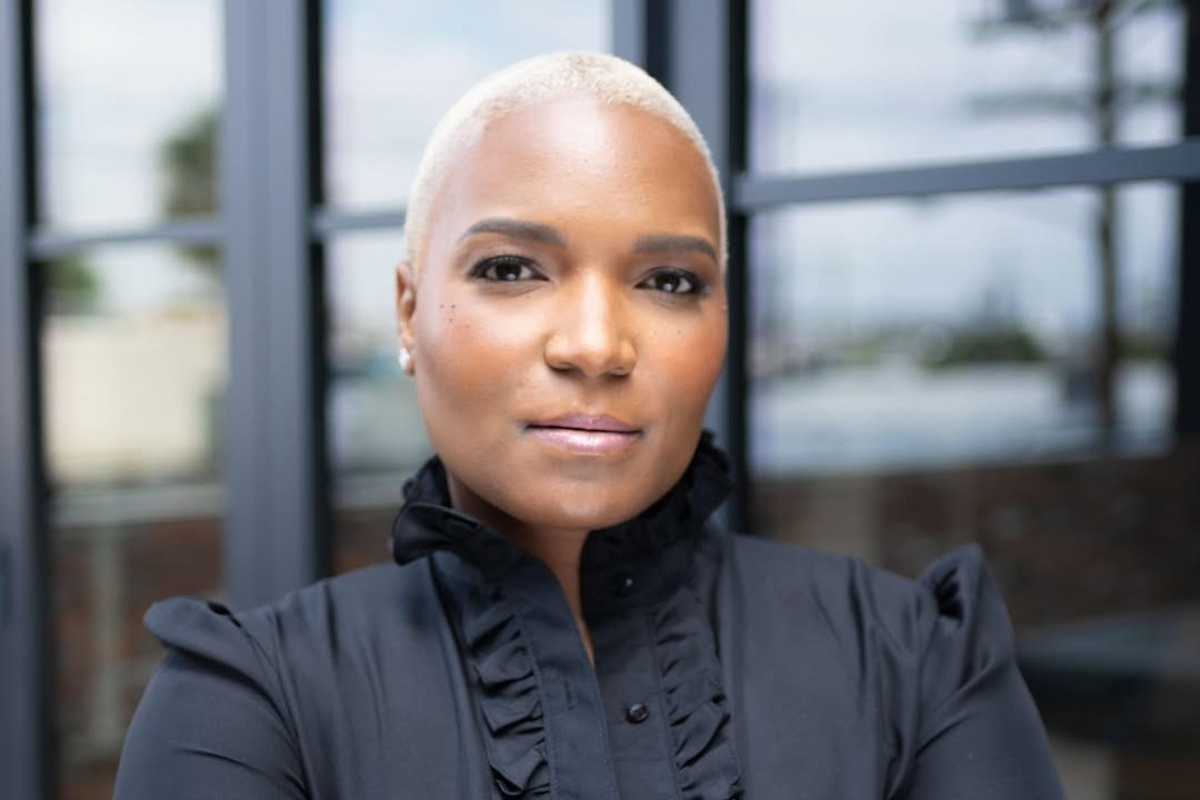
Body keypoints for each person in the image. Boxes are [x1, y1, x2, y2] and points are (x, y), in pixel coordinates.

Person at [114, 52, 1065, 800]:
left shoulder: (916, 660)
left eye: (670, 281)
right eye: (510, 269)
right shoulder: (250, 705)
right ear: (408, 314)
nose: (598, 345)